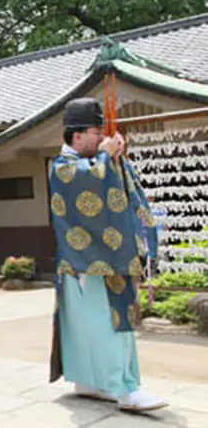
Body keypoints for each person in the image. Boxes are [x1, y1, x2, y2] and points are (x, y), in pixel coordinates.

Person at [48, 97, 167, 412]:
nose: (101, 137)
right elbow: (86, 180)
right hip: (85, 262)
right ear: (77, 136)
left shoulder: (93, 161)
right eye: (95, 132)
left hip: (105, 260)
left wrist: (113, 158)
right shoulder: (62, 168)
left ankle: (91, 382)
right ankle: (124, 389)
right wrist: (105, 157)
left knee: (103, 326)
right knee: (102, 326)